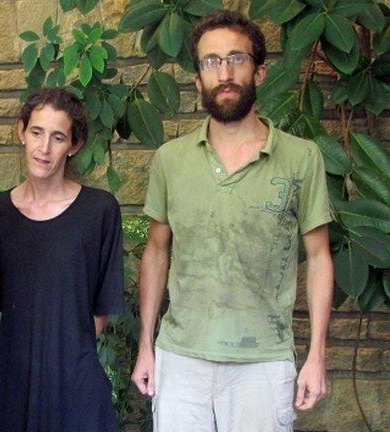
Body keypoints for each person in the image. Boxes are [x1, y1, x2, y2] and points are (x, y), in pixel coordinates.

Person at [130, 9, 334, 432]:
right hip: (181, 358)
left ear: (259, 72)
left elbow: (318, 257)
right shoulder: (171, 159)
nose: (224, 72)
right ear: (197, 78)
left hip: (262, 361)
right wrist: (146, 345)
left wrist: (317, 354)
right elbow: (156, 250)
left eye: (236, 58)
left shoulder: (302, 158)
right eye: (211, 61)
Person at [0, 88, 124, 432]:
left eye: (58, 137)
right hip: (12, 376)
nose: (44, 148)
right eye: (36, 132)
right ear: (22, 132)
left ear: (74, 145)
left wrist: (65, 360)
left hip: (75, 379)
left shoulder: (99, 211)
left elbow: (101, 307)